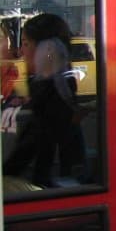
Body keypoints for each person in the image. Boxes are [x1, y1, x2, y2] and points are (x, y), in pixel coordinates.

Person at [3, 13, 86, 190]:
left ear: (47, 49)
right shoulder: (51, 80)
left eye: (26, 44)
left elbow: (36, 138)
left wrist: (8, 171)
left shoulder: (53, 88)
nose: (21, 52)